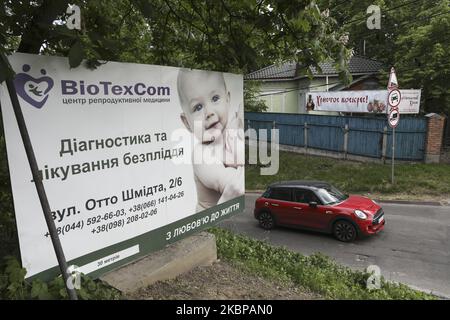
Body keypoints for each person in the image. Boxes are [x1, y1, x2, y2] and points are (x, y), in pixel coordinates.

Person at [177, 69, 244, 212]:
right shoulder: (201, 154)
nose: (209, 113)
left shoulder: (232, 129)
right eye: (198, 107)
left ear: (227, 99)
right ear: (187, 122)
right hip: (208, 226)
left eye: (215, 98)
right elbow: (235, 184)